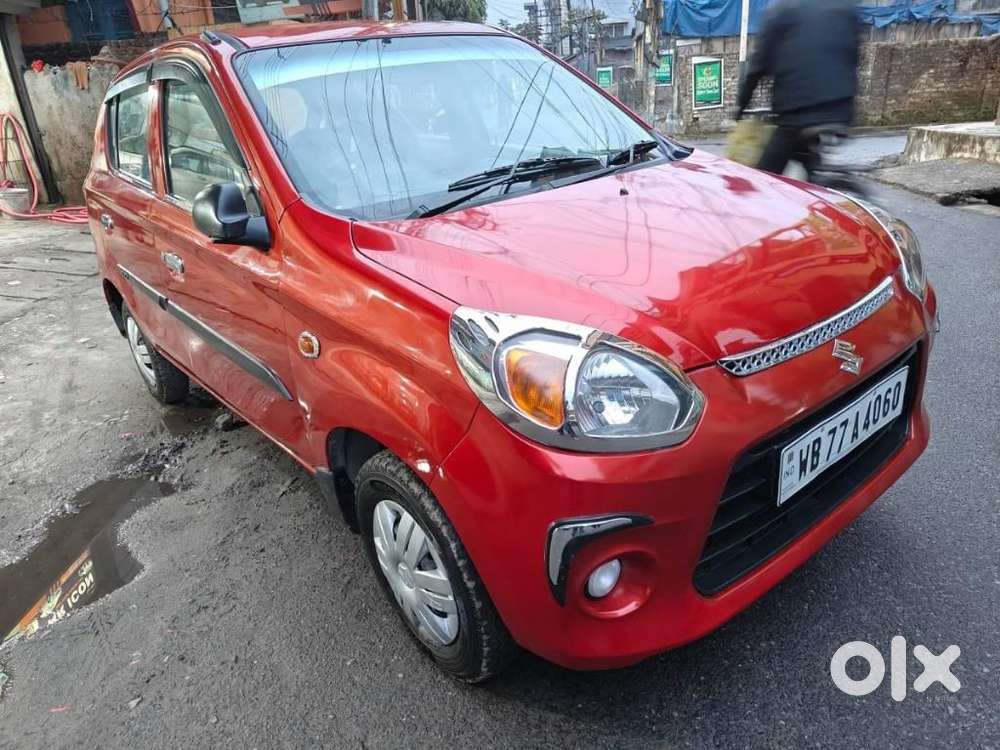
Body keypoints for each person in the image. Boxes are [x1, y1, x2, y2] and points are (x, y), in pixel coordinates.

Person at [736, 0, 860, 177]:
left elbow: (758, 65)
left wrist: (741, 106)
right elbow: (854, 58)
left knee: (764, 178)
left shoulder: (781, 9)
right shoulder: (845, 7)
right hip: (842, 109)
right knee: (809, 167)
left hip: (797, 112)